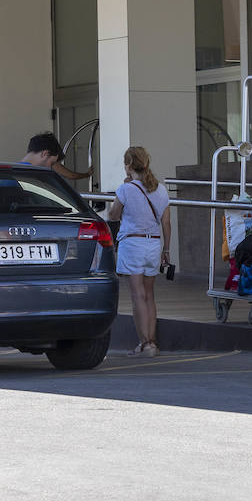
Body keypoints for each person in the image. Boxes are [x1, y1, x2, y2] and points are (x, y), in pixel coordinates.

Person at [107, 146, 171, 357]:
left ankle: (144, 343)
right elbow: (166, 223)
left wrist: (122, 192)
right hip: (153, 244)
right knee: (150, 295)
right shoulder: (160, 189)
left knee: (137, 296)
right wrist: (167, 249)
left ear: (128, 166)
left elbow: (113, 216)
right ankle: (152, 342)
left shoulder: (125, 190)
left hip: (133, 244)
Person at [19, 131, 91, 182]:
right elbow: (71, 175)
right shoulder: (30, 177)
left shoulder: (13, 173)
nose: (50, 167)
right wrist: (87, 174)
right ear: (44, 154)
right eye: (52, 163)